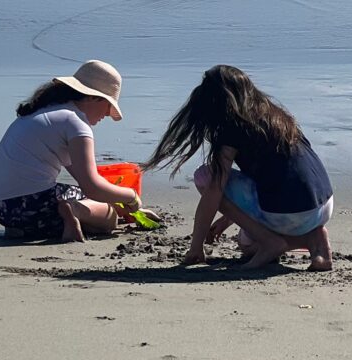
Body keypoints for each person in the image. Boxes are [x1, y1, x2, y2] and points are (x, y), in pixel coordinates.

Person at [143, 65, 334, 270]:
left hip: (288, 214)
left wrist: (195, 247)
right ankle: (314, 240)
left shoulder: (232, 126)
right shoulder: (276, 116)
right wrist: (226, 220)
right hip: (322, 206)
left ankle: (272, 242)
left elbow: (214, 190)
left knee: (205, 177)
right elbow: (281, 176)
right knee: (247, 243)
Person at [0, 60, 142, 243]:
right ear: (92, 97)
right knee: (109, 219)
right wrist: (131, 198)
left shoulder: (45, 112)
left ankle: (31, 228)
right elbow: (92, 187)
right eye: (108, 105)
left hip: (3, 210)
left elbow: (82, 178)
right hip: (36, 206)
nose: (107, 114)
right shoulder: (75, 122)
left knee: (95, 204)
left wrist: (119, 203)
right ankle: (73, 210)